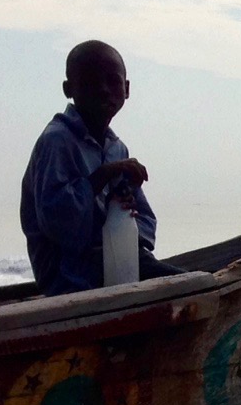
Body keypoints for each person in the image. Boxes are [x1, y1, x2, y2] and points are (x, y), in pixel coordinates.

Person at [20, 40, 178, 295]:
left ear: (126, 89)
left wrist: (121, 210)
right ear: (68, 89)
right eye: (91, 82)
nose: (104, 90)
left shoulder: (117, 149)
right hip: (67, 278)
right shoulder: (57, 141)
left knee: (182, 280)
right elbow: (56, 223)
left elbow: (146, 222)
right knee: (191, 285)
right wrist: (103, 176)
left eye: (113, 81)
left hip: (112, 267)